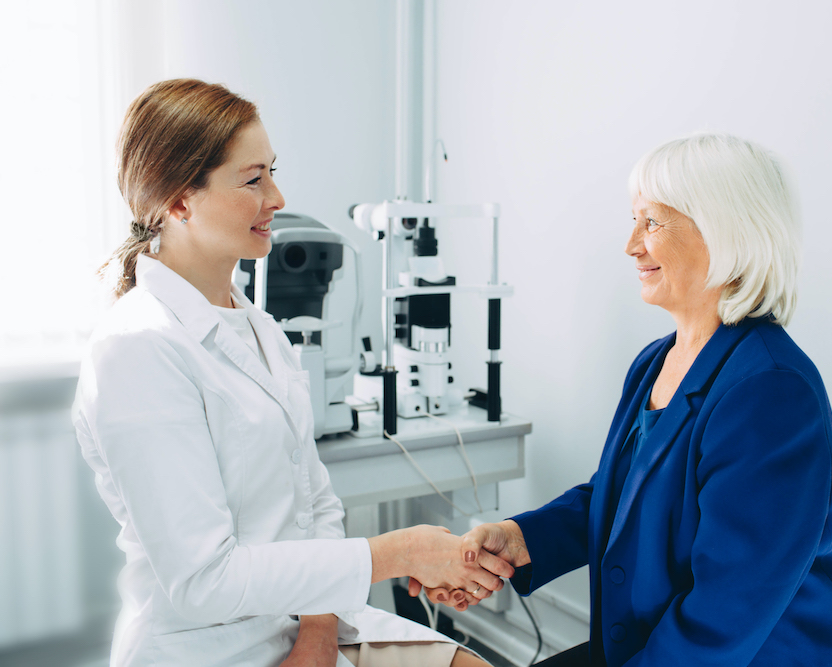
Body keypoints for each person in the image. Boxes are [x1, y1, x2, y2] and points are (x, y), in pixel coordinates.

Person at [72, 79, 512, 667]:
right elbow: (204, 581)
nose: (277, 197)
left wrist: (319, 634)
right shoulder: (136, 350)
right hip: (209, 645)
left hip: (305, 622)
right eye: (253, 180)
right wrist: (403, 551)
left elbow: (316, 507)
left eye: (272, 172)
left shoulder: (262, 330)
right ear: (180, 201)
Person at [427, 133, 832, 666]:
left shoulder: (770, 392)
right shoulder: (657, 361)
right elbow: (620, 497)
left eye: (651, 221)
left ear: (724, 231)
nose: (632, 244)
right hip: (646, 646)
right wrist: (521, 539)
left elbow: (724, 616)